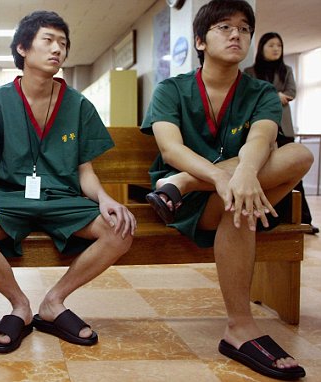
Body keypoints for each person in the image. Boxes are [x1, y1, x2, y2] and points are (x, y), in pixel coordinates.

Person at [142, 0, 310, 380]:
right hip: (184, 208)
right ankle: (239, 326)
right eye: (224, 27)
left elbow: (263, 139)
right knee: (242, 199)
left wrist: (244, 172)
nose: (237, 34)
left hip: (196, 190)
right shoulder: (171, 89)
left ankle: (183, 183)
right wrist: (221, 178)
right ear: (200, 40)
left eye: (244, 29)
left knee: (296, 155)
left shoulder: (262, 92)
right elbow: (171, 149)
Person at [0, 10, 135, 354]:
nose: (57, 49)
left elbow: (85, 171)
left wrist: (105, 199)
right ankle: (20, 306)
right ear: (23, 48)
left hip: (62, 199)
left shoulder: (78, 104)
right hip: (9, 198)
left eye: (63, 43)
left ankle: (54, 302)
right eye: (48, 40)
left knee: (120, 229)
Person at [244, 32, 317, 233]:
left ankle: (303, 219)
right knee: (265, 170)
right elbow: (250, 96)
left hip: (284, 127)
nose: (276, 49)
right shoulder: (250, 71)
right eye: (271, 45)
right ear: (262, 48)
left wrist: (272, 95)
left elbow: (291, 93)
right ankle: (269, 215)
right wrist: (275, 95)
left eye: (279, 45)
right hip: (259, 127)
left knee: (294, 171)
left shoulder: (287, 70)